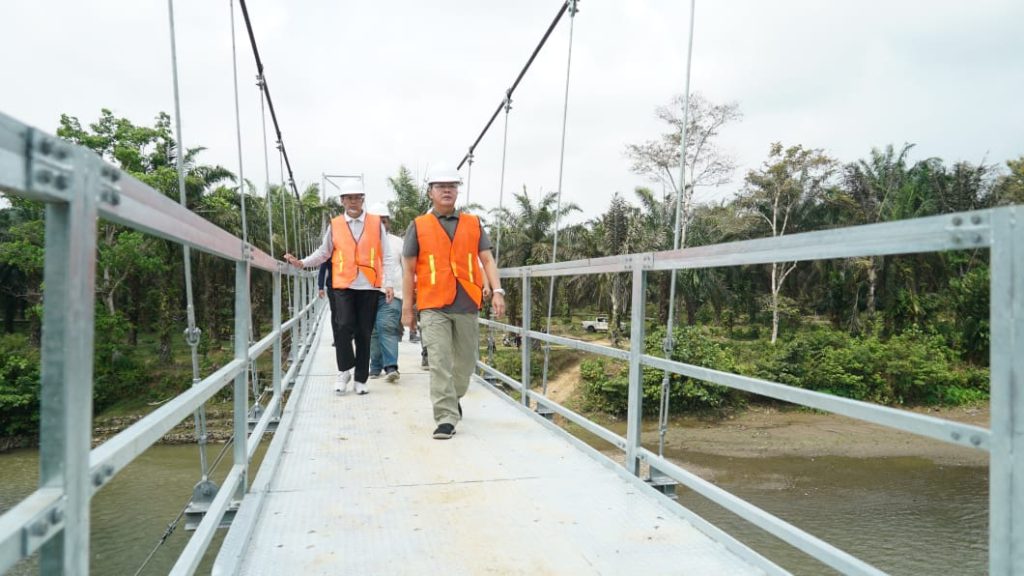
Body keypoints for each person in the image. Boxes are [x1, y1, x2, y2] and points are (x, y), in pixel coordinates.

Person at [402, 165, 505, 440]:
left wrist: (497, 290)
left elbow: (486, 260)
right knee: (438, 361)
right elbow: (408, 269)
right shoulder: (418, 225)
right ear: (430, 192)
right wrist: (407, 309)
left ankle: (453, 396)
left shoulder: (473, 223)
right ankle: (446, 416)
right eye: (440, 186)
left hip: (467, 302)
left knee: (466, 364)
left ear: (457, 191)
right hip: (432, 304)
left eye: (452, 186)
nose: (447, 190)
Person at [284, 189, 395, 395]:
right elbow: (324, 252)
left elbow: (386, 256)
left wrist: (388, 283)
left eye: (357, 197)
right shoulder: (335, 224)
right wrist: (302, 263)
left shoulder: (375, 223)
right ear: (342, 201)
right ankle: (344, 369)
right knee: (342, 327)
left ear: (363, 199)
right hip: (342, 284)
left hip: (369, 285)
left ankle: (361, 379)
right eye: (348, 198)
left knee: (364, 333)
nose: (353, 201)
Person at [367, 202, 404, 382]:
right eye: (376, 221)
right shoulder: (362, 242)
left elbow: (408, 269)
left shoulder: (398, 243)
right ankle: (375, 366)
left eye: (384, 220)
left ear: (388, 223)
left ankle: (391, 367)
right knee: (373, 330)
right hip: (368, 293)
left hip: (393, 294)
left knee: (386, 327)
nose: (381, 224)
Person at [317, 261, 339, 346]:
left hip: (347, 286)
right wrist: (320, 287)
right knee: (335, 312)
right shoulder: (328, 250)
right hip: (332, 286)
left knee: (346, 312)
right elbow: (322, 270)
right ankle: (337, 338)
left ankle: (349, 334)